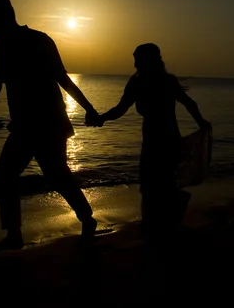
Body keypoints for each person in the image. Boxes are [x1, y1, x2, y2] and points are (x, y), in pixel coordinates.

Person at [0, 0, 98, 251]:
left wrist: (89, 108)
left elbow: (62, 78)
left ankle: (87, 219)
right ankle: (14, 235)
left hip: (49, 122)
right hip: (22, 125)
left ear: (3, 15)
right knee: (6, 175)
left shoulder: (39, 41)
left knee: (56, 175)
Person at [88, 43, 211, 235]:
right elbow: (121, 109)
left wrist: (201, 122)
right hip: (161, 136)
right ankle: (160, 221)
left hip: (163, 137)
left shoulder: (148, 82)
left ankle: (156, 222)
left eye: (137, 57)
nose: (134, 61)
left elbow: (188, 103)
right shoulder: (147, 81)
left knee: (153, 181)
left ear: (147, 59)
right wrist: (101, 118)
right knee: (159, 181)